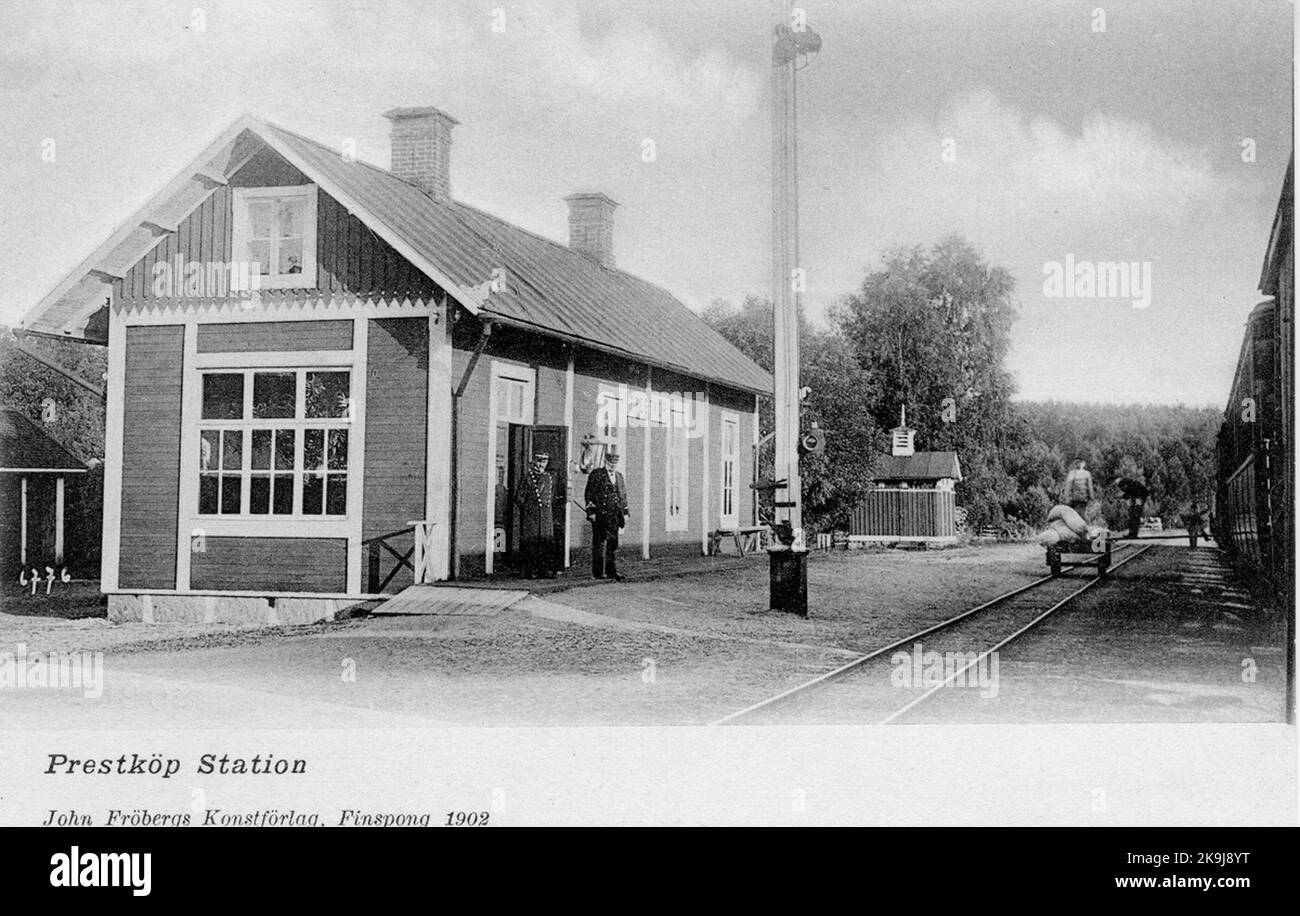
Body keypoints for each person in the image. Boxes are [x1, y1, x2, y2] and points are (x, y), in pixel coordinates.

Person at [584, 449, 629, 581]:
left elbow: (623, 496)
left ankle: (611, 571)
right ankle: (598, 573)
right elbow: (589, 494)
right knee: (599, 544)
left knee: (612, 544)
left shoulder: (619, 476)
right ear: (605, 462)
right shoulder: (596, 475)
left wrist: (625, 512)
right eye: (610, 463)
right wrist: (591, 512)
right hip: (600, 515)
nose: (612, 466)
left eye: (615, 464)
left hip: (615, 515)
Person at [514, 451, 557, 578]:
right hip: (532, 517)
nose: (541, 464)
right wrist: (529, 509)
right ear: (534, 461)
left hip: (546, 516)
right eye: (539, 461)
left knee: (545, 543)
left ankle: (544, 570)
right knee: (531, 543)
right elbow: (519, 498)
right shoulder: (528, 477)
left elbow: (552, 496)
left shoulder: (549, 477)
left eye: (544, 461)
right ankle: (530, 570)